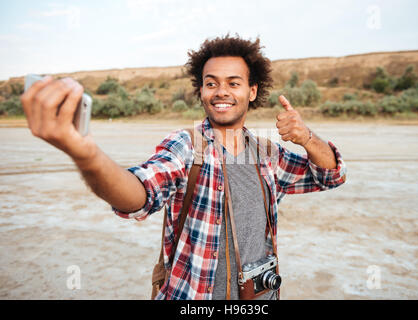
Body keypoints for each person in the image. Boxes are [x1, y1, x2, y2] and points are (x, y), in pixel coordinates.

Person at [20, 35, 347, 300]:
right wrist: (85, 153)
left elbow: (331, 174)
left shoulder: (267, 153)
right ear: (201, 91)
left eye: (233, 83)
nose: (221, 91)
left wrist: (307, 138)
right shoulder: (186, 145)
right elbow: (138, 193)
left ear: (252, 91)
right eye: (211, 83)